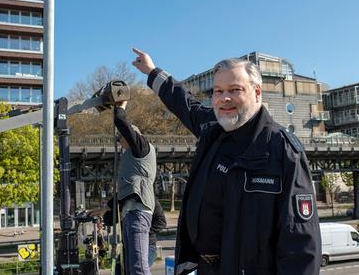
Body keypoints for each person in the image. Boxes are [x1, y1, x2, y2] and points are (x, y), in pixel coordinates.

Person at [132, 48, 322, 275]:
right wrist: (152, 71)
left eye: (235, 90)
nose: (225, 98)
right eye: (218, 91)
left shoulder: (282, 150)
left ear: (257, 93)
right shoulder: (212, 128)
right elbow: (184, 102)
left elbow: (300, 242)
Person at [114, 100, 157, 275]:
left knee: (138, 268)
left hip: (138, 213)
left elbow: (120, 121)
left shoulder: (140, 147)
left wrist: (121, 105)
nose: (119, 142)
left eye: (120, 138)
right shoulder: (131, 156)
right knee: (131, 269)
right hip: (131, 214)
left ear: (130, 136)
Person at [148, 197, 167, 267]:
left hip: (148, 245)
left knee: (139, 269)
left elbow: (162, 222)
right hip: (127, 246)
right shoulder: (123, 196)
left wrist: (145, 232)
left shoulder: (151, 199)